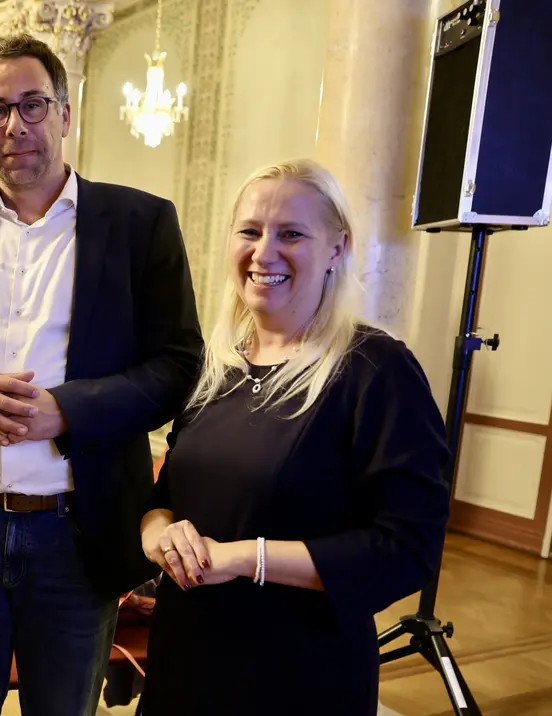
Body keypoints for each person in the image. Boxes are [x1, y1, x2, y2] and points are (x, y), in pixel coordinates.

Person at [0, 34, 204, 716]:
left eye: (33, 104)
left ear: (67, 112)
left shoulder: (141, 223)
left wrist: (69, 410)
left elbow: (179, 366)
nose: (16, 125)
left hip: (76, 531)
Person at [137, 159, 452, 715]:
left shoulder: (375, 369)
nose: (264, 253)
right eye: (250, 231)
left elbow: (406, 547)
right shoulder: (215, 368)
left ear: (337, 247)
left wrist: (243, 559)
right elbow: (165, 499)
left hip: (299, 671)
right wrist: (156, 534)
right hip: (186, 656)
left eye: (291, 234)